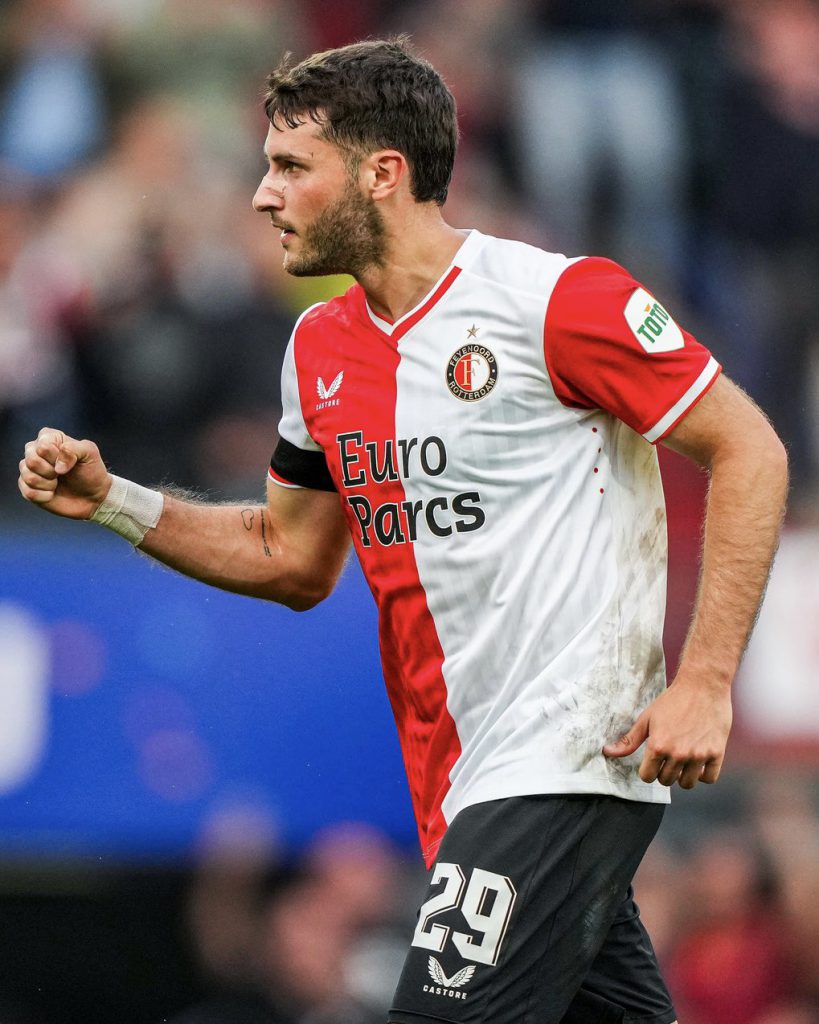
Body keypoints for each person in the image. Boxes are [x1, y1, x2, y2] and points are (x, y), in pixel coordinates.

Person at [17, 37, 788, 1024]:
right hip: (461, 782)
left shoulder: (555, 301)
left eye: (291, 166)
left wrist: (708, 682)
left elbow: (751, 449)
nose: (261, 194)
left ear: (381, 175)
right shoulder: (318, 349)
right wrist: (117, 501)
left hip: (563, 752)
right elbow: (290, 557)